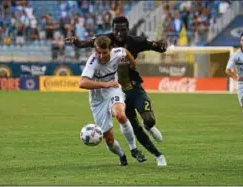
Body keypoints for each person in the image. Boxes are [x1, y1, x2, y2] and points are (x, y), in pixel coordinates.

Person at [65, 16, 167, 166]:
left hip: (123, 88)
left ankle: (139, 144)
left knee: (127, 116)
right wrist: (77, 42)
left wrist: (134, 63)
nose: (119, 33)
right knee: (113, 137)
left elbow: (137, 50)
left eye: (122, 29)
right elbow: (82, 79)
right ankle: (128, 155)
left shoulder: (128, 45)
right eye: (116, 29)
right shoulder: (98, 51)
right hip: (101, 95)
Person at [79, 36, 146, 166]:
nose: (101, 56)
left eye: (104, 52)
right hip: (97, 100)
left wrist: (133, 65)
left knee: (120, 115)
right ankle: (122, 155)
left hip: (113, 90)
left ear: (111, 50)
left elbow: (125, 52)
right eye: (98, 52)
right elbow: (82, 83)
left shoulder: (118, 52)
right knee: (109, 139)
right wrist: (105, 84)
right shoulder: (92, 62)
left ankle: (134, 149)